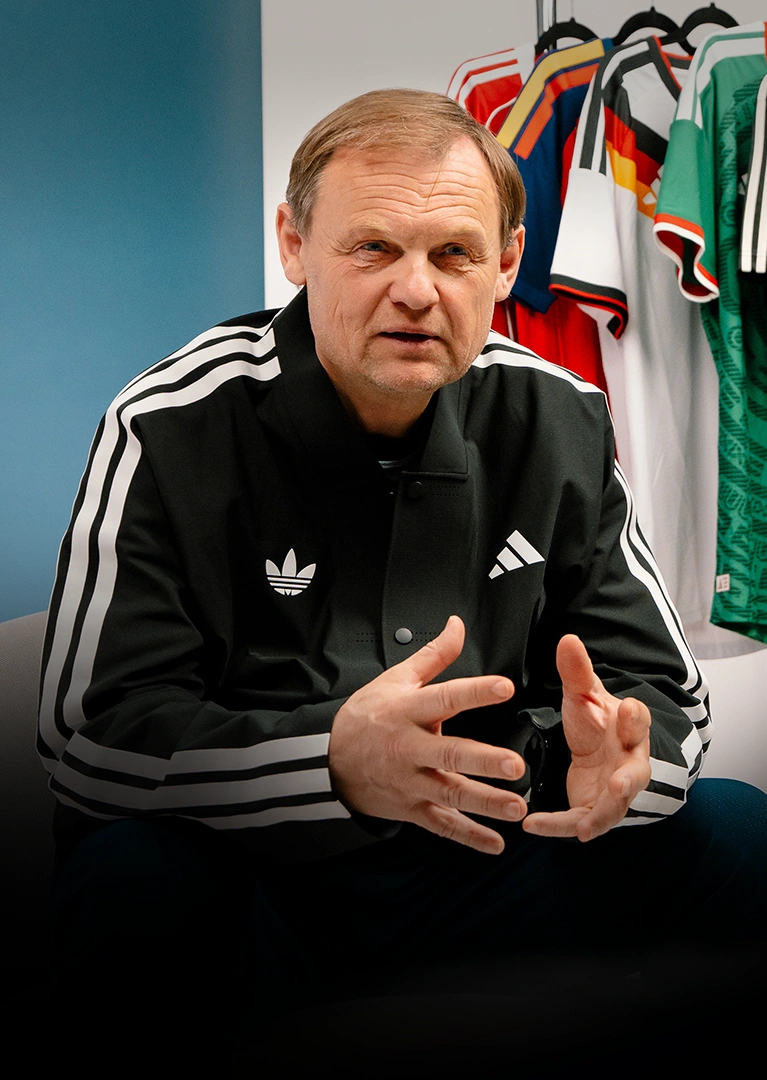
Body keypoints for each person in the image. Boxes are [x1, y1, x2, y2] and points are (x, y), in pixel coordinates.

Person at [38, 89, 767, 1077]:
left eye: (454, 253)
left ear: (506, 263)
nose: (416, 291)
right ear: (294, 245)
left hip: (496, 864)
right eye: (372, 248)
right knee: (129, 876)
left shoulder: (559, 415)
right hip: (259, 879)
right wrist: (329, 763)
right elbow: (90, 747)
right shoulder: (168, 421)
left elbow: (664, 697)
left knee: (733, 829)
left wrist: (621, 772)